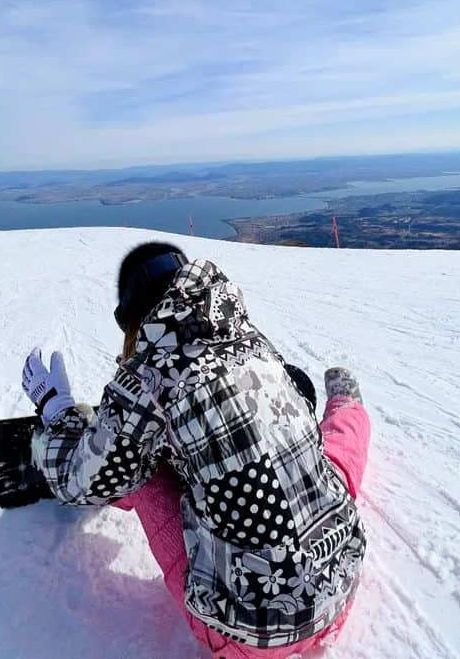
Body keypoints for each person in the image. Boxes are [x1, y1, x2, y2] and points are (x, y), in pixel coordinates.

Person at [22, 243, 370, 656]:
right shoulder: (251, 339)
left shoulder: (147, 377)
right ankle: (347, 406)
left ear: (133, 317)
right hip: (341, 589)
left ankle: (110, 469)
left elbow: (80, 482)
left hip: (245, 637)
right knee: (325, 463)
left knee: (142, 471)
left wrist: (57, 410)